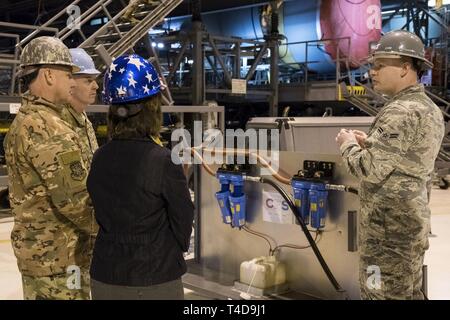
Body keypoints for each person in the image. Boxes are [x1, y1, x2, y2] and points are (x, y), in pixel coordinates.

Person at [335, 30, 445, 300]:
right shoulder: (428, 108)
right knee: (408, 292)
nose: (373, 71)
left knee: (378, 295)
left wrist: (347, 143)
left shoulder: (399, 111)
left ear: (406, 68)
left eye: (381, 65)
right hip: (409, 226)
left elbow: (367, 169)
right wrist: (370, 143)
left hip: (386, 234)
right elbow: (406, 157)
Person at [87, 54, 194, 300]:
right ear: (152, 108)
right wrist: (167, 251)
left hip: (105, 275)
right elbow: (183, 216)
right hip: (153, 278)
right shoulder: (163, 160)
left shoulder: (99, 157)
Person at [3, 36, 97, 300]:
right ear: (48, 75)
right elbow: (77, 201)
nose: (72, 81)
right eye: (68, 74)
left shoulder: (29, 119)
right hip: (59, 259)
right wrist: (119, 231)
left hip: (45, 257)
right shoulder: (49, 129)